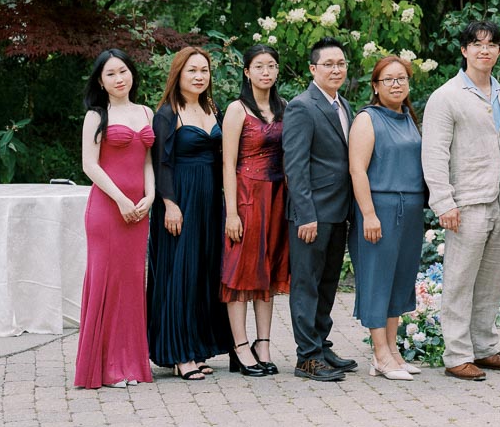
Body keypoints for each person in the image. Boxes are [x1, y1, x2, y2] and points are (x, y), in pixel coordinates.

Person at [421, 21, 500, 382]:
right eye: (477, 44)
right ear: (464, 50)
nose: (485, 50)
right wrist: (444, 202)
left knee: (493, 280)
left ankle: (485, 346)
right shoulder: (446, 96)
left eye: (492, 44)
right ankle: (457, 354)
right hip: (466, 202)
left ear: (499, 51)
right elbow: (433, 153)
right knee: (461, 280)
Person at [147, 46, 233, 380]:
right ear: (178, 74)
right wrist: (169, 203)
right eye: (192, 71)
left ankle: (196, 346)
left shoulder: (213, 108)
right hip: (180, 199)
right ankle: (178, 354)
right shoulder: (168, 113)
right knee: (179, 273)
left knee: (203, 274)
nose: (199, 77)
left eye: (204, 71)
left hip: (210, 200)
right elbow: (161, 162)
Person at [74, 49, 156, 389]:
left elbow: (147, 161)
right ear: (100, 81)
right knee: (106, 284)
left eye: (123, 71)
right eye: (110, 74)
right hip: (107, 211)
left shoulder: (146, 111)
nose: (119, 78)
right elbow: (89, 165)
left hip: (139, 211)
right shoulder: (97, 115)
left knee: (132, 285)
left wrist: (149, 197)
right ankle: (105, 369)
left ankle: (130, 364)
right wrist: (122, 199)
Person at [282, 38, 359, 383]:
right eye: (328, 64)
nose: (336, 69)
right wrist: (306, 214)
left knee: (328, 283)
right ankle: (307, 357)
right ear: (313, 69)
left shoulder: (344, 105)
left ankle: (321, 345)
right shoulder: (302, 106)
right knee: (307, 284)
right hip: (311, 214)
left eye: (340, 63)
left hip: (339, 211)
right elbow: (295, 166)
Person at [349, 56, 427, 381]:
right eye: (388, 79)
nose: (396, 84)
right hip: (379, 207)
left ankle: (393, 350)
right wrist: (368, 213)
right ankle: (379, 352)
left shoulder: (409, 117)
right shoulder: (367, 119)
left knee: (399, 279)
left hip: (410, 208)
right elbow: (357, 169)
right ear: (375, 87)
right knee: (377, 279)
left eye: (401, 79)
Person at [219, 44, 290, 377]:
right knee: (241, 272)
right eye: (260, 66)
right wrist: (231, 212)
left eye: (272, 66)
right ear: (247, 72)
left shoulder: (284, 107)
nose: (267, 72)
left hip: (277, 197)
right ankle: (240, 346)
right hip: (247, 197)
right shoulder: (237, 109)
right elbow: (227, 163)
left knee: (267, 271)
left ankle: (264, 342)